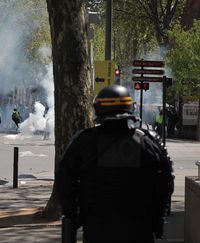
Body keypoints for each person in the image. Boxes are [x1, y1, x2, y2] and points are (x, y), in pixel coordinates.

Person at [56, 85, 174, 243]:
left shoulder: (84, 142)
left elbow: (64, 180)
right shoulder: (148, 142)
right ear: (130, 108)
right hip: (139, 230)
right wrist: (158, 216)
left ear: (98, 109)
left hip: (97, 229)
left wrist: (72, 215)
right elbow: (166, 181)